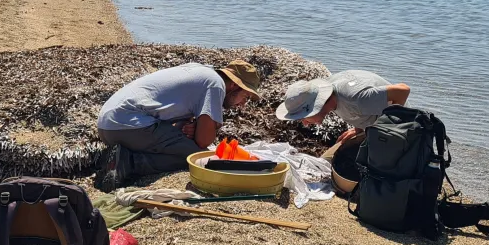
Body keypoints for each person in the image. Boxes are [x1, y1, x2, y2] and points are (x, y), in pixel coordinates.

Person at [94, 59, 262, 190]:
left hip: (108, 125)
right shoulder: (215, 85)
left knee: (186, 148)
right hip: (129, 124)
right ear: (234, 85)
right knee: (198, 158)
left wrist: (191, 127)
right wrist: (203, 128)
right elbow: (204, 141)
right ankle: (130, 162)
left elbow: (176, 122)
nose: (242, 104)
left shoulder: (201, 72)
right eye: (245, 97)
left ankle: (122, 154)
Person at [275, 71, 410, 194]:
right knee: (325, 163)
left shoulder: (357, 99)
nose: (304, 123)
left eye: (304, 117)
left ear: (316, 107)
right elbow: (361, 110)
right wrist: (359, 127)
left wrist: (390, 129)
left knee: (354, 184)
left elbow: (403, 91)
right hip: (370, 129)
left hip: (397, 134)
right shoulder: (327, 92)